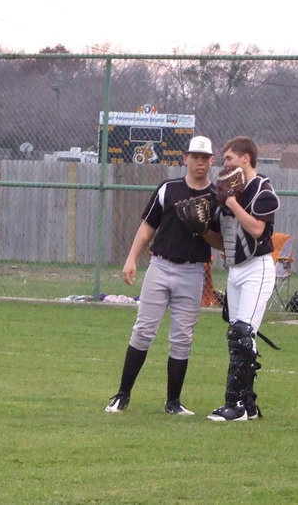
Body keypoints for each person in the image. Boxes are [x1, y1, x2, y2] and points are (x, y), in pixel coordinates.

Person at [105, 136, 219, 416]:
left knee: (182, 338)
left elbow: (220, 243)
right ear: (185, 159)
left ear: (212, 161)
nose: (200, 162)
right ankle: (122, 395)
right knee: (143, 330)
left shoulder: (216, 197)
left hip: (193, 271)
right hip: (161, 266)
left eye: (205, 158)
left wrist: (202, 228)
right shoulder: (168, 189)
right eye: (195, 157)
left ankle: (173, 402)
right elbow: (148, 226)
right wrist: (131, 258)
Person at [206, 136, 280, 422]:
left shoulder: (262, 187)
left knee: (242, 332)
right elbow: (223, 240)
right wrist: (200, 227)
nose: (225, 164)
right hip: (235, 269)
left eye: (229, 158)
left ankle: (235, 405)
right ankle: (247, 404)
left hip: (257, 268)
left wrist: (233, 203)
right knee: (237, 337)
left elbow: (258, 230)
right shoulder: (228, 190)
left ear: (246, 158)